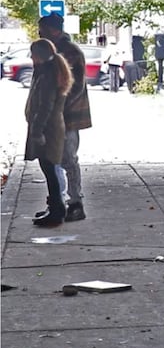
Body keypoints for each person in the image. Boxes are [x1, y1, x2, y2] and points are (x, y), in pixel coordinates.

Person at [38, 14, 92, 222]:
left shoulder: (69, 52)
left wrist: (58, 107)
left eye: (42, 30)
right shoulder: (52, 51)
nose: (40, 34)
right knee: (53, 160)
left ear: (53, 30)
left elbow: (74, 86)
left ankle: (75, 203)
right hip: (55, 115)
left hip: (67, 116)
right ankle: (57, 204)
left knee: (68, 159)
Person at [24, 39, 74, 226]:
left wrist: (37, 131)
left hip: (48, 128)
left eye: (33, 54)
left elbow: (45, 106)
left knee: (50, 169)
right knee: (49, 169)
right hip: (51, 126)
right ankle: (55, 207)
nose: (31, 57)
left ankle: (56, 211)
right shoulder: (50, 70)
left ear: (40, 55)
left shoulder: (48, 75)